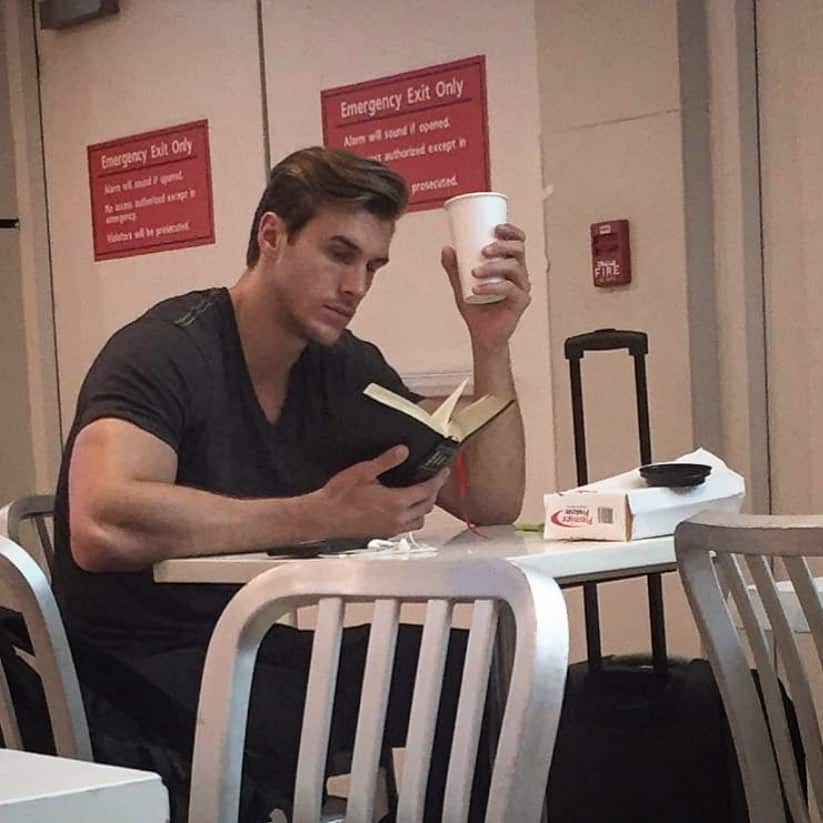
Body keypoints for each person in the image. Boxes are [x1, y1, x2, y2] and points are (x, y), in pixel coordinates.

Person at [52, 146, 532, 820]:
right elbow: (100, 522)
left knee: (476, 666)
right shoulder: (165, 349)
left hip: (249, 645)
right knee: (370, 693)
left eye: (372, 266)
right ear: (271, 235)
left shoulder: (339, 366)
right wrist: (315, 515)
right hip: (126, 673)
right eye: (339, 253)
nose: (356, 285)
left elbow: (487, 498)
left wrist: (490, 342)